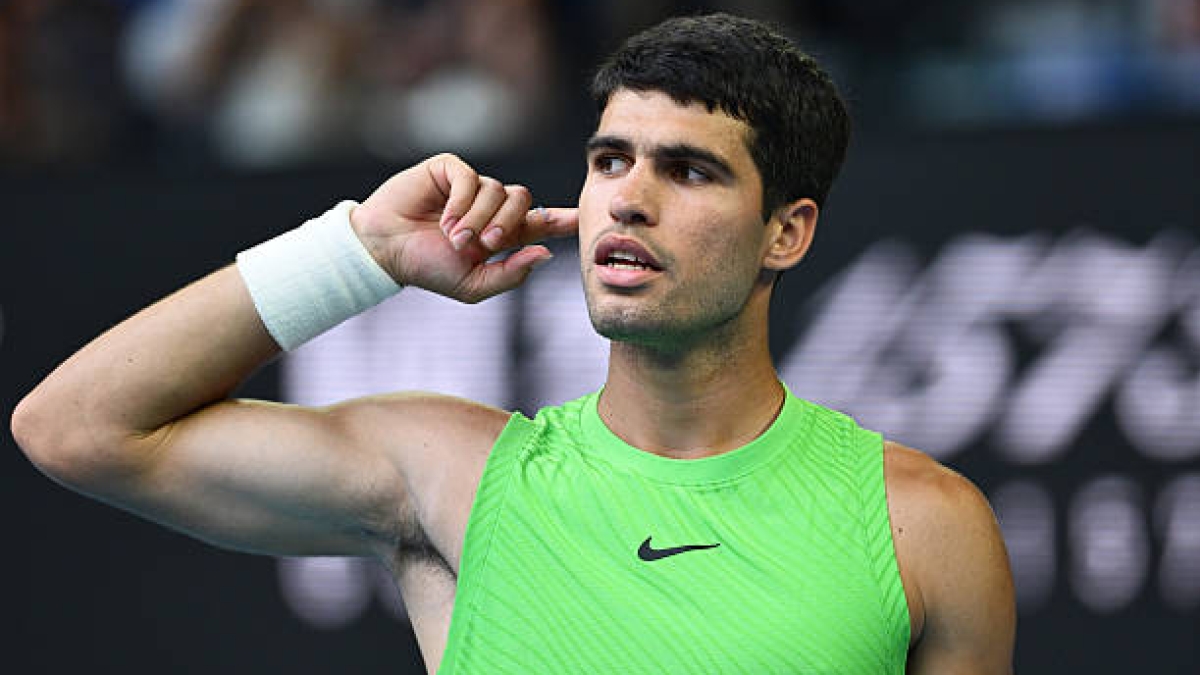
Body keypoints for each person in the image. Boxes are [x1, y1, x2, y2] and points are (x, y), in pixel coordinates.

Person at [12, 13, 1015, 674]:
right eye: (610, 159)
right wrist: (356, 251)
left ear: (787, 231)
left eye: (689, 171)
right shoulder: (453, 477)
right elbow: (76, 428)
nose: (628, 196)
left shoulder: (925, 526)